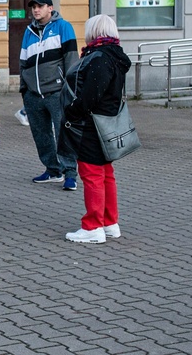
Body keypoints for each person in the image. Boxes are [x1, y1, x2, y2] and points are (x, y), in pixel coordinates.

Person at [61, 15, 131, 244]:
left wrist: (72, 110)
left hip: (92, 124)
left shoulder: (99, 57)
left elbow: (91, 95)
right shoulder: (115, 56)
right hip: (108, 121)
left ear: (95, 31)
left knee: (92, 174)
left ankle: (92, 227)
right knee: (106, 174)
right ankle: (110, 223)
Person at [19, 0, 79, 191]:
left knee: (63, 134)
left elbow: (71, 60)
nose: (36, 10)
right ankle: (53, 170)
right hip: (33, 95)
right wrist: (24, 90)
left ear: (50, 8)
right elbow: (23, 63)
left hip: (56, 92)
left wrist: (69, 89)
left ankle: (70, 173)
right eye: (33, 6)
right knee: (41, 135)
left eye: (40, 6)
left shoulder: (63, 27)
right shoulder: (29, 31)